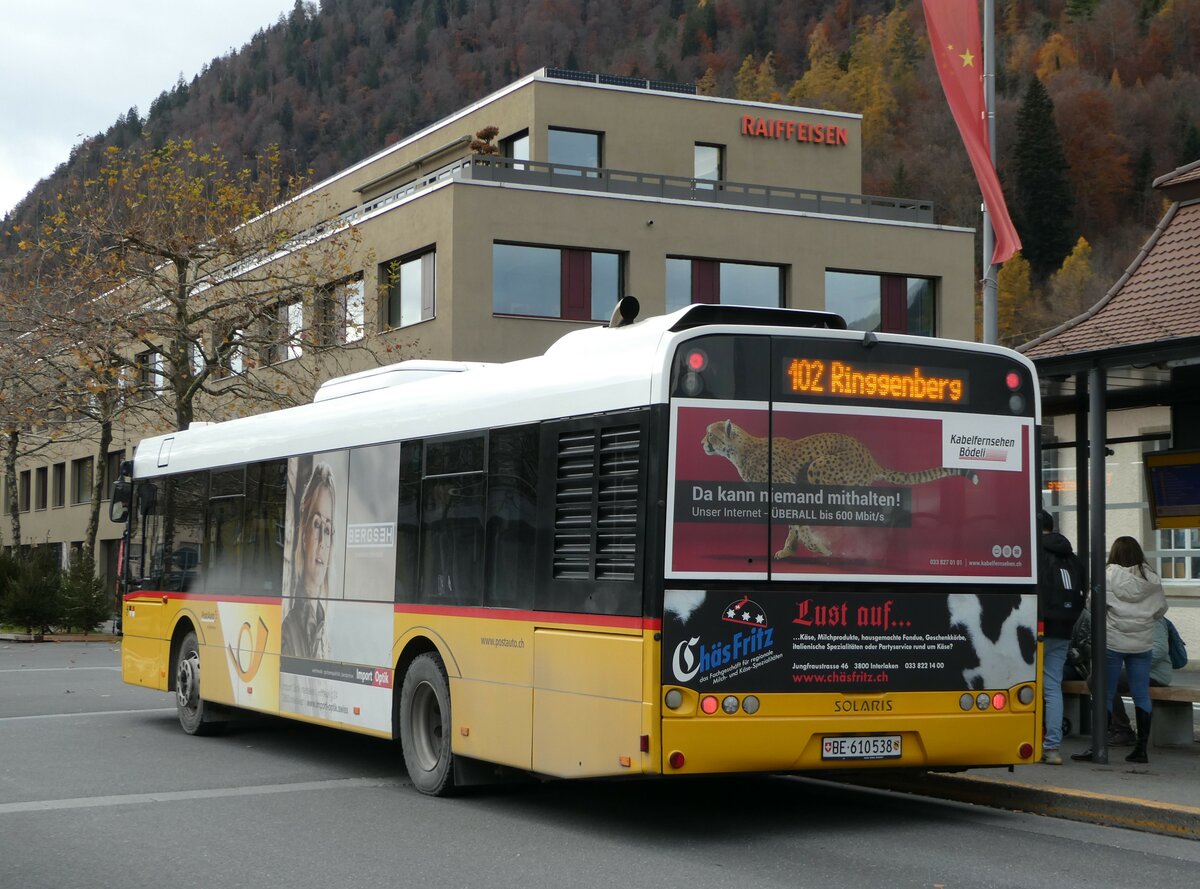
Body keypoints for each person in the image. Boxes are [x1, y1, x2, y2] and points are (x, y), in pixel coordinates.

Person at [1072, 536, 1168, 764]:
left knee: (1104, 691)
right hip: (1142, 644)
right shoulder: (1151, 578)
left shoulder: (1107, 575)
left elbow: (1091, 605)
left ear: (1114, 553)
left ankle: (1099, 746)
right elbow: (1160, 609)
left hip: (1113, 643)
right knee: (1141, 694)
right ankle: (1141, 750)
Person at [1038, 510, 1085, 765]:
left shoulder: (1036, 554)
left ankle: (1032, 737)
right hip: (1064, 628)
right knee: (1052, 686)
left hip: (1038, 626)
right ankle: (1052, 747)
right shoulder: (1072, 557)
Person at [281, 462, 336, 660]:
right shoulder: (288, 632)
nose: (322, 541)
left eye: (327, 529)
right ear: (304, 534)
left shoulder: (325, 634)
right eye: (316, 524)